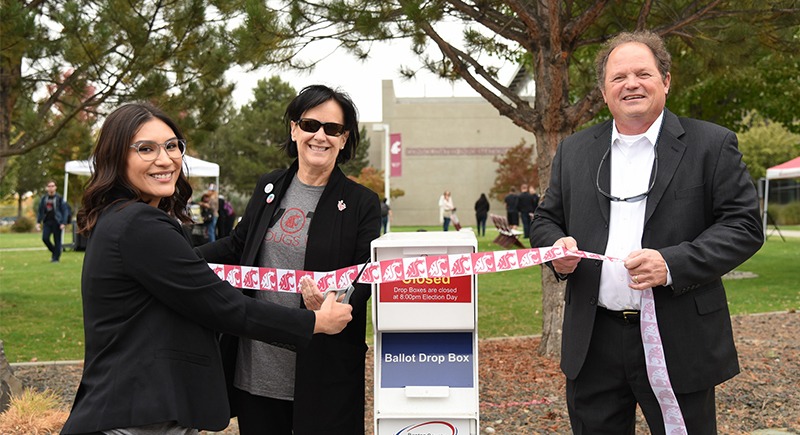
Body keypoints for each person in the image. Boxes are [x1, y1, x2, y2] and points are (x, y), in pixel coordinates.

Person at [60, 102, 353, 435]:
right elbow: (224, 306)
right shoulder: (139, 225)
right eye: (146, 149)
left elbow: (188, 273)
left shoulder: (125, 217)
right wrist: (314, 321)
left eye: (172, 146)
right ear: (117, 157)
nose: (165, 159)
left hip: (141, 409)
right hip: (139, 415)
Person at [530, 30, 762, 434]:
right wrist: (555, 248)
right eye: (618, 77)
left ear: (666, 81)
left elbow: (743, 226)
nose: (631, 84)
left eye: (643, 73)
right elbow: (545, 220)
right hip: (593, 341)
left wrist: (672, 263)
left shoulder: (712, 144)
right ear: (604, 91)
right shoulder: (575, 151)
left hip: (679, 337)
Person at [195, 84, 381, 434]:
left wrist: (334, 299)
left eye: (333, 129)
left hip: (324, 368)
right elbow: (238, 246)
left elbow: (366, 275)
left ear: (344, 139)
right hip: (257, 367)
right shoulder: (269, 187)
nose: (320, 136)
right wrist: (177, 258)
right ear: (295, 129)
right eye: (311, 125)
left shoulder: (361, 202)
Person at [35, 180, 69, 263]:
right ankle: (55, 252)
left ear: (55, 187)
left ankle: (56, 258)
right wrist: (38, 222)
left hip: (57, 222)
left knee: (57, 240)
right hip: (47, 222)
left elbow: (65, 211)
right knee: (45, 238)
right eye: (49, 186)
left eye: (52, 186)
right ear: (47, 188)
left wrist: (63, 222)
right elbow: (40, 211)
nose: (51, 188)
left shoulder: (59, 198)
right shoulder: (44, 198)